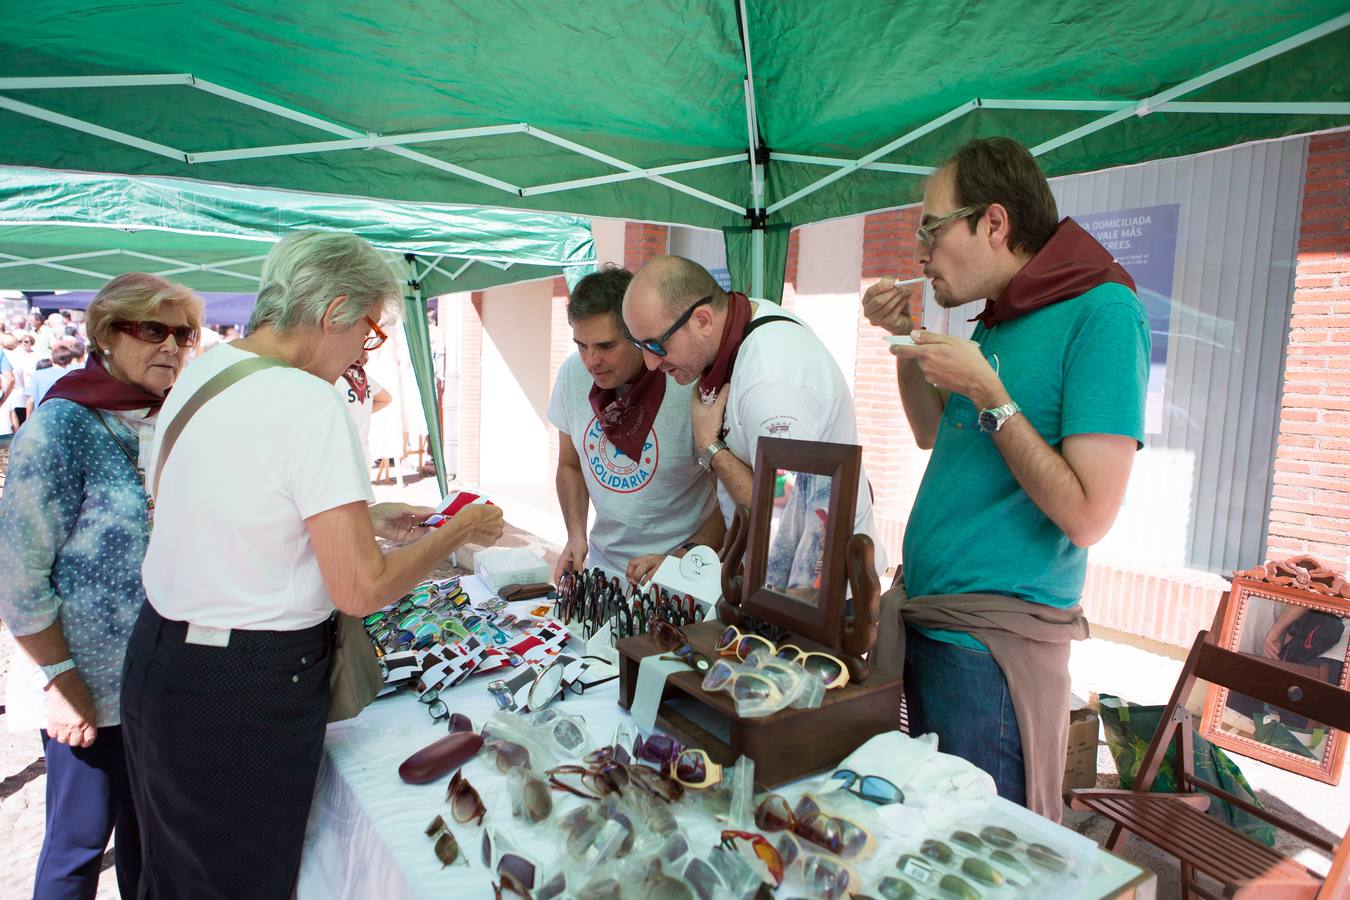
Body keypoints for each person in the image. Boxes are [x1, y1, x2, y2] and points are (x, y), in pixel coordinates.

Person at [120, 230, 504, 899]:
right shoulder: (307, 401)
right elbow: (360, 588)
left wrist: (365, 514)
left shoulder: (207, 371)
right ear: (332, 312)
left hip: (163, 661)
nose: (363, 350)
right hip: (242, 686)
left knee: (171, 873)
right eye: (369, 330)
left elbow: (233, 500)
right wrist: (460, 531)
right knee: (237, 880)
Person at [860, 136, 1149, 817]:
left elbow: (1088, 515)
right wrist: (908, 340)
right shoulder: (999, 317)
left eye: (931, 229)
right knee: (930, 838)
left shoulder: (1103, 312)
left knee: (979, 851)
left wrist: (992, 396)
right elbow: (934, 432)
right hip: (934, 624)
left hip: (989, 655)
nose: (921, 254)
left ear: (993, 222)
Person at [0, 272, 205, 899]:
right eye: (152, 329)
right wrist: (59, 683)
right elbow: (16, 575)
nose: (171, 345)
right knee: (78, 849)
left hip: (167, 680)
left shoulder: (171, 423)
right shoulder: (60, 427)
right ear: (105, 336)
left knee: (154, 848)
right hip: (90, 690)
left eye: (183, 333)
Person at [622, 256, 885, 579]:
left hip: (818, 594)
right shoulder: (742, 321)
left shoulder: (771, 381)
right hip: (782, 580)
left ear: (703, 320)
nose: (650, 364)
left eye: (657, 346)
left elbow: (788, 517)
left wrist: (711, 448)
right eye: (640, 345)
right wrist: (683, 557)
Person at [547, 265, 723, 586]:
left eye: (605, 346)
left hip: (682, 576)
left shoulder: (687, 379)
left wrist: (682, 558)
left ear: (637, 334)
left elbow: (727, 502)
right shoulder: (573, 374)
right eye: (581, 345)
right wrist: (575, 534)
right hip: (605, 573)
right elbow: (569, 465)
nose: (590, 361)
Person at [338, 347, 393, 465]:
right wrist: (363, 410)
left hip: (343, 454)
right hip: (363, 453)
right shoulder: (364, 378)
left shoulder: (336, 381)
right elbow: (386, 399)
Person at [23, 340, 79, 416]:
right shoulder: (75, 375)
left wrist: (28, 421)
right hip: (67, 416)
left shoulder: (38, 375)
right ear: (70, 360)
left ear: (52, 359)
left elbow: (31, 400)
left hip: (43, 417)